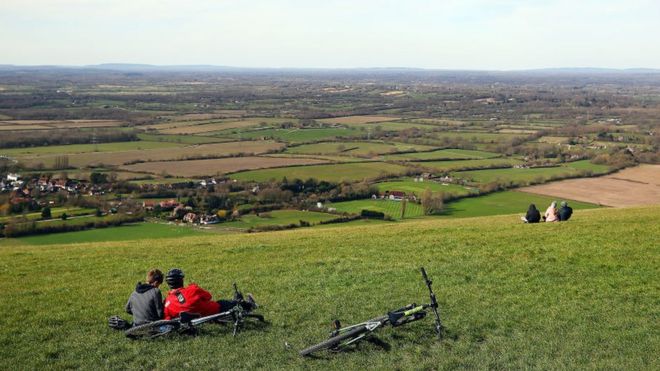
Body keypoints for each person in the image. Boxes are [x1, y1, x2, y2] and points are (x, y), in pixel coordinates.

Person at [163, 268, 255, 320]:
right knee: (226, 303)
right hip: (215, 311)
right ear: (181, 280)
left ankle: (237, 300)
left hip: (196, 321)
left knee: (230, 302)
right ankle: (249, 305)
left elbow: (168, 318)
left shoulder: (167, 302)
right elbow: (208, 296)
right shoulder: (192, 289)